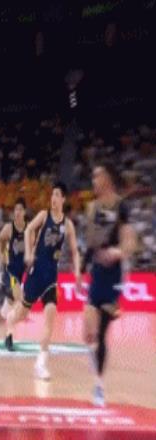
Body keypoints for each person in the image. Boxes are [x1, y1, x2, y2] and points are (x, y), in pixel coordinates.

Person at [7, 182, 81, 380]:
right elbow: (29, 230)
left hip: (51, 276)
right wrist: (28, 254)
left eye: (57, 195)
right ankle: (10, 318)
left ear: (63, 199)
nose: (53, 198)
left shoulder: (67, 225)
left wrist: (77, 272)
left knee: (50, 315)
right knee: (21, 315)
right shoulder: (43, 215)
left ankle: (40, 363)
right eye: (52, 195)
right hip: (36, 272)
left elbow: (75, 251)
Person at [83, 163, 136, 406]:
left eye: (97, 177)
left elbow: (129, 239)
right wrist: (82, 269)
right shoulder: (93, 208)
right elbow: (91, 240)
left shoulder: (121, 206)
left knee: (102, 330)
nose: (94, 182)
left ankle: (99, 386)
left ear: (107, 179)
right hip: (97, 273)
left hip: (114, 275)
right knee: (88, 333)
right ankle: (95, 361)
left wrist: (117, 252)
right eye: (93, 178)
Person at [0, 198, 27, 351]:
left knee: (7, 308)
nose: (17, 212)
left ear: (24, 212)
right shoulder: (9, 228)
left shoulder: (29, 229)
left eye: (20, 210)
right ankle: (9, 337)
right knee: (20, 299)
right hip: (10, 272)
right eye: (15, 209)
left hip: (21, 273)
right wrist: (0, 255)